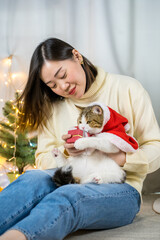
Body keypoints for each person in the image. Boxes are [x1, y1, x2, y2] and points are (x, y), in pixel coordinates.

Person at [0, 38, 160, 240]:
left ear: (77, 56)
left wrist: (120, 158)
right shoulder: (53, 106)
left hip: (120, 189)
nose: (63, 87)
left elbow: (156, 148)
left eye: (63, 75)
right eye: (52, 85)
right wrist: (68, 152)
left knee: (68, 196)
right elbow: (42, 160)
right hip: (71, 177)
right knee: (32, 178)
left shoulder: (128, 89)